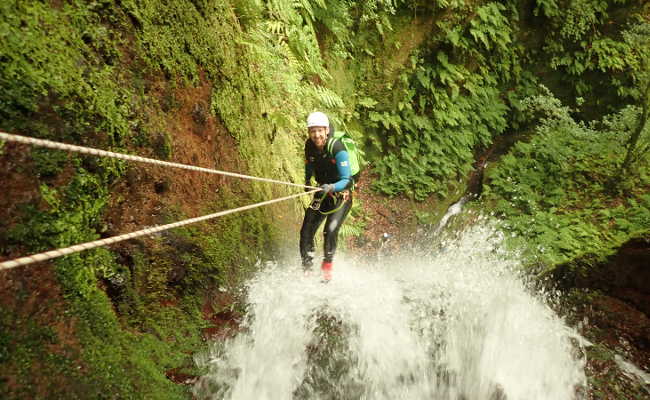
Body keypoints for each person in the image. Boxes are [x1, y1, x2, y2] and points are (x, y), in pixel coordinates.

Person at [300, 111, 353, 281]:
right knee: (306, 231)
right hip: (322, 192)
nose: (316, 135)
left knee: (329, 231)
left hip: (340, 195)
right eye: (313, 131)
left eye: (319, 131)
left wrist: (331, 186)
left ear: (326, 130)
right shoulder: (309, 145)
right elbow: (309, 163)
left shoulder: (337, 148)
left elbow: (348, 180)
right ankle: (307, 268)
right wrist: (307, 180)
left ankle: (326, 268)